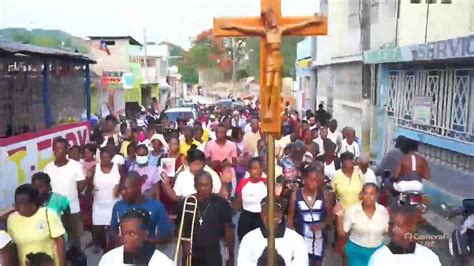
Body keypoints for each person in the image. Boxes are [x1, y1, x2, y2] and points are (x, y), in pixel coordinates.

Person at [176, 170, 235, 266]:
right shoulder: (187, 202)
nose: (208, 188)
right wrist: (184, 244)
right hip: (191, 253)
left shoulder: (221, 203)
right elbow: (180, 227)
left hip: (213, 253)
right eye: (203, 185)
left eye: (210, 184)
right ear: (195, 186)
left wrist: (231, 256)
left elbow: (229, 230)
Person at [43, 138, 89, 252]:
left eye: (60, 148)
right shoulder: (48, 168)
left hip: (72, 210)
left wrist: (88, 178)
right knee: (58, 242)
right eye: (55, 148)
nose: (57, 151)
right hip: (54, 212)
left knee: (74, 241)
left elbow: (80, 187)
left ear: (66, 150)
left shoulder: (75, 166)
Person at [238, 197, 308, 266]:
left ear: (280, 215)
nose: (269, 217)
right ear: (261, 215)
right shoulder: (249, 239)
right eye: (265, 214)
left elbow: (301, 262)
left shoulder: (296, 239)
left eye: (274, 214)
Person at [7, 184, 66, 266]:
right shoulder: (12, 219)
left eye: (22, 204)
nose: (17, 207)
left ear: (33, 204)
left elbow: (60, 243)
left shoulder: (48, 215)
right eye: (16, 204)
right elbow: (12, 249)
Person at [110, 171, 172, 247]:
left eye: (126, 189)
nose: (123, 193)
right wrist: (119, 239)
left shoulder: (156, 206)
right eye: (121, 189)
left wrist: (146, 241)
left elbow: (167, 235)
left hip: (148, 253)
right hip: (124, 253)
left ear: (138, 186)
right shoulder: (118, 206)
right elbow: (112, 231)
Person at [334, 183, 389, 266]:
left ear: (377, 195)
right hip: (356, 252)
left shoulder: (383, 211)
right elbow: (342, 233)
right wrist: (340, 217)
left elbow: (386, 231)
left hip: (377, 252)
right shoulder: (353, 211)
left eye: (372, 194)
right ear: (361, 195)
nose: (368, 197)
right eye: (366, 193)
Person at [288, 162, 331, 266]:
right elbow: (289, 219)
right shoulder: (296, 196)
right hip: (302, 240)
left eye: (317, 181)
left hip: (319, 241)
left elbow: (330, 217)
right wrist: (294, 236)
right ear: (305, 180)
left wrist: (322, 224)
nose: (315, 183)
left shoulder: (323, 195)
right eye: (312, 180)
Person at [368, 205, 441, 266]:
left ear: (412, 228)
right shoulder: (379, 258)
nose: (394, 230)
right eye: (392, 224)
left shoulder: (429, 257)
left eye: (400, 226)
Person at [99, 210, 172, 266]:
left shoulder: (163, 262)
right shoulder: (108, 259)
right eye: (124, 234)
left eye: (132, 233)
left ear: (145, 234)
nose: (126, 238)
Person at [331, 152, 364, 257]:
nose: (351, 165)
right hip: (343, 215)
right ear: (343, 163)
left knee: (357, 243)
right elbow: (332, 194)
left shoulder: (359, 174)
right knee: (344, 246)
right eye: (348, 162)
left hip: (358, 214)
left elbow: (364, 192)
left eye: (352, 162)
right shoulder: (337, 175)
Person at [91, 148, 121, 252]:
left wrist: (119, 189)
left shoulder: (118, 168)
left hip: (113, 203)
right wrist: (91, 190)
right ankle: (103, 246)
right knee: (98, 229)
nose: (105, 159)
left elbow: (125, 181)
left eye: (107, 157)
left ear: (111, 158)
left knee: (112, 229)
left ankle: (110, 250)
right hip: (99, 204)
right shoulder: (95, 168)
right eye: (103, 157)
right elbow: (87, 183)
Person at [235, 158, 267, 242]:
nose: (258, 171)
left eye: (260, 168)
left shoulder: (266, 183)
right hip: (247, 217)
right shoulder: (243, 183)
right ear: (249, 170)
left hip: (262, 218)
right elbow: (238, 202)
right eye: (255, 168)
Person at [205, 124, 238, 194]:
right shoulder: (209, 144)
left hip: (227, 177)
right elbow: (205, 161)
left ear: (225, 133)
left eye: (222, 132)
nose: (220, 134)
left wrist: (229, 164)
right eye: (218, 132)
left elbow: (235, 163)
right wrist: (212, 163)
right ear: (215, 133)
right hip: (214, 176)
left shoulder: (232, 145)